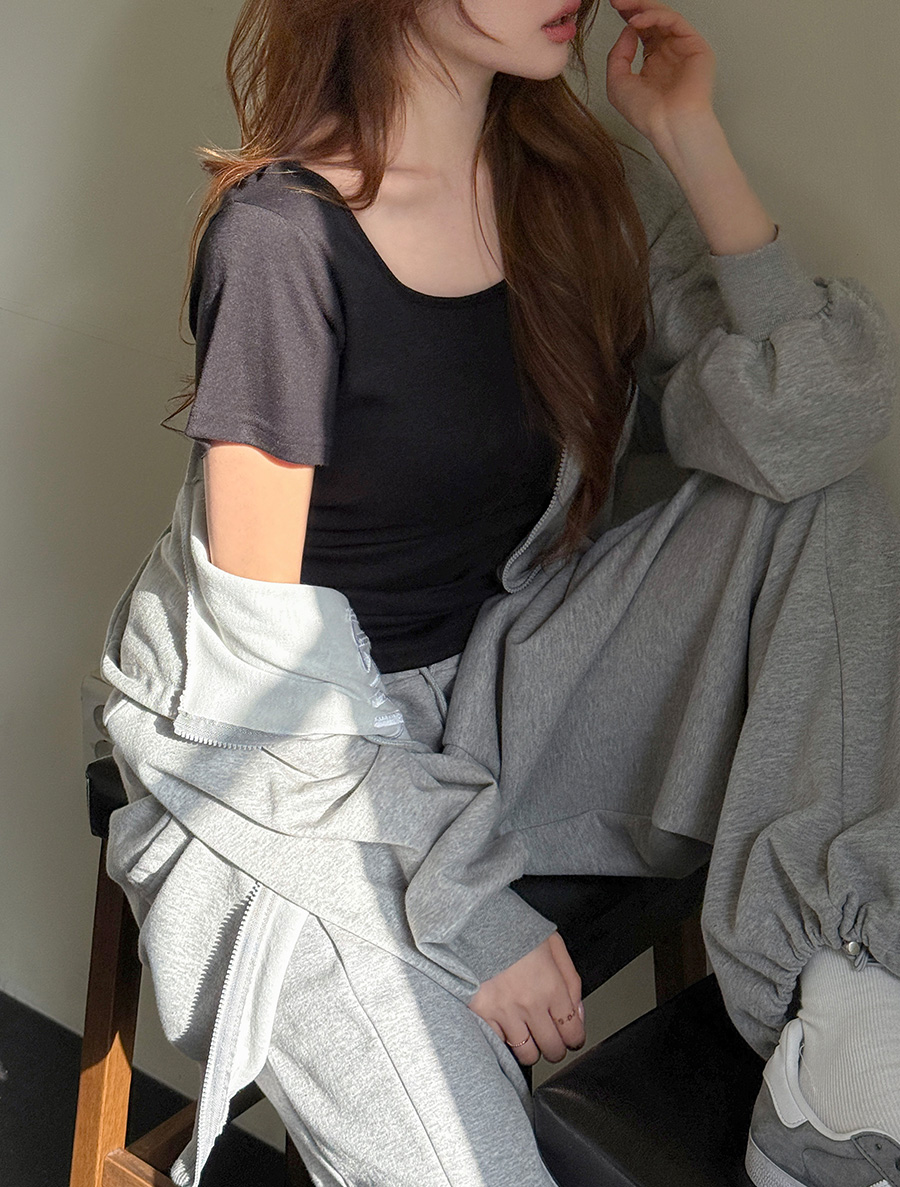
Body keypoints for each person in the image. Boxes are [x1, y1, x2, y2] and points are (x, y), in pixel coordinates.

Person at [97, 0, 900, 1184]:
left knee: (827, 510)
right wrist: (471, 904)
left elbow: (816, 429)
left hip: (504, 687)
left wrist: (690, 136)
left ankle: (829, 1054)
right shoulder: (281, 238)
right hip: (290, 766)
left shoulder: (577, 188)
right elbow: (260, 670)